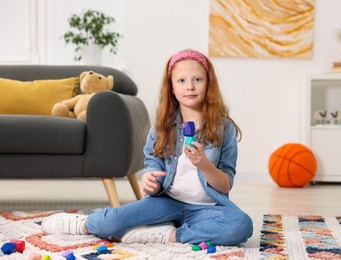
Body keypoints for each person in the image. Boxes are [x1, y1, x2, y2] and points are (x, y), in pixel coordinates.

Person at [41, 49, 253, 246]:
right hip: (166, 203)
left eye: (198, 79)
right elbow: (154, 171)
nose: (190, 86)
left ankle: (166, 235)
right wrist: (151, 182)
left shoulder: (224, 129)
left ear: (209, 84)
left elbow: (225, 186)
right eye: (181, 80)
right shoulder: (162, 128)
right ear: (171, 87)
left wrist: (204, 164)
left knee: (241, 225)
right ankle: (84, 224)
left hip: (207, 209)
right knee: (116, 220)